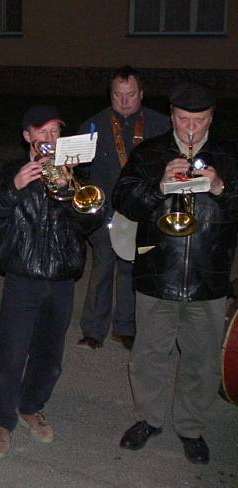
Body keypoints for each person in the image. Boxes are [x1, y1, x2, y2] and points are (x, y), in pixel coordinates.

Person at [113, 81, 238, 465]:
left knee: (200, 359)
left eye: (199, 120)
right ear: (171, 117)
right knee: (149, 354)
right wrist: (159, 184)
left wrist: (220, 187)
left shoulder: (230, 156)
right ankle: (147, 419)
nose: (191, 127)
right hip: (157, 271)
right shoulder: (151, 153)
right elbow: (123, 200)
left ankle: (191, 427)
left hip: (209, 274)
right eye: (184, 119)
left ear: (211, 119)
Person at [0, 106, 103, 458]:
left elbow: (90, 222)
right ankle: (2, 420)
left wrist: (67, 191)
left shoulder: (77, 174)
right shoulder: (8, 173)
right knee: (11, 354)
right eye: (41, 132)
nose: (48, 138)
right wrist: (16, 188)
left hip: (62, 279)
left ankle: (31, 407)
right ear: (27, 137)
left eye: (54, 132)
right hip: (22, 278)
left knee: (50, 357)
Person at [76, 66, 170, 351]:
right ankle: (93, 331)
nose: (125, 101)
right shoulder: (93, 125)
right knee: (102, 269)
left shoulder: (161, 125)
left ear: (141, 94)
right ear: (111, 93)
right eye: (118, 95)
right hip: (105, 210)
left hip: (142, 210)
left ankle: (125, 328)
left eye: (130, 95)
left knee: (131, 269)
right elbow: (80, 171)